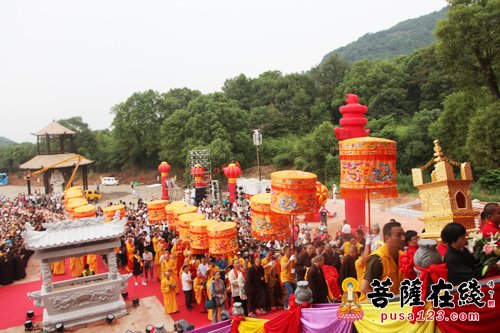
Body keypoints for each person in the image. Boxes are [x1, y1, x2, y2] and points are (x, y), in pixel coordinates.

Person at [361, 221, 405, 296]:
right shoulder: (378, 258)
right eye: (398, 235)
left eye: (403, 235)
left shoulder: (403, 256)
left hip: (396, 303)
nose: (403, 238)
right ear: (387, 238)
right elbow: (365, 288)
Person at [280, 245, 296, 310]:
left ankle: (293, 304)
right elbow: (285, 266)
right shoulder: (283, 259)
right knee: (290, 290)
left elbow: (295, 265)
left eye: (291, 250)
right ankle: (286, 304)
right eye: (289, 250)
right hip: (285, 278)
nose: (291, 251)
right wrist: (290, 260)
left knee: (295, 291)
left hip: (292, 278)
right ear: (285, 251)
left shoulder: (292, 257)